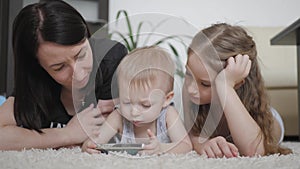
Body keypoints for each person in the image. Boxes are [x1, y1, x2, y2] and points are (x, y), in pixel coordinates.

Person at [0, 0, 127, 150]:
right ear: (39, 67)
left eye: (82, 55)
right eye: (59, 67)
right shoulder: (36, 83)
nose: (78, 74)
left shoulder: (111, 58)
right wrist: (67, 134)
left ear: (87, 36)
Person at [183, 23, 292, 158]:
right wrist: (203, 144)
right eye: (188, 75)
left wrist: (226, 86)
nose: (190, 89)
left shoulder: (266, 119)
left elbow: (254, 152)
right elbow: (193, 134)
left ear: (237, 82)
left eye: (205, 84)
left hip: (260, 116)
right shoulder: (194, 91)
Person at [82, 46, 192, 155]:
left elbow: (186, 146)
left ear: (166, 99)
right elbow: (96, 140)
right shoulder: (118, 116)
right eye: (127, 102)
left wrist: (161, 148)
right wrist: (89, 146)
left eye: (145, 105)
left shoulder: (168, 115)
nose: (134, 112)